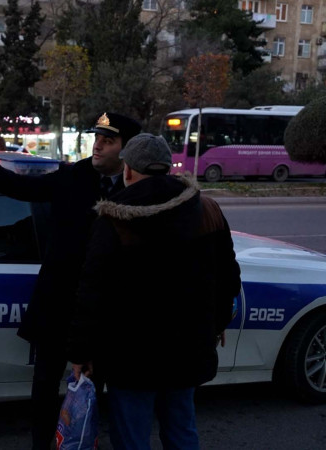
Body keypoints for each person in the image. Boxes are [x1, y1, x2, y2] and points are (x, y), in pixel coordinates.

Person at [0, 111, 143, 450]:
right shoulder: (74, 176)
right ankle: (42, 444)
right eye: (97, 138)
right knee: (45, 384)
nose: (97, 146)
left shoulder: (137, 187)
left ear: (127, 151)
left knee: (94, 387)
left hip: (104, 308)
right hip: (59, 302)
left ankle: (82, 442)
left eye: (108, 141)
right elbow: (22, 187)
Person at [66, 133, 241, 450]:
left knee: (131, 437)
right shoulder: (207, 210)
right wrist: (217, 324)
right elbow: (228, 276)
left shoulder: (115, 219)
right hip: (188, 349)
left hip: (131, 356)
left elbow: (92, 292)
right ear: (168, 169)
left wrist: (80, 352)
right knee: (182, 429)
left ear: (128, 171)